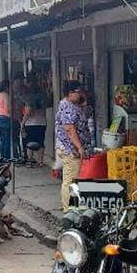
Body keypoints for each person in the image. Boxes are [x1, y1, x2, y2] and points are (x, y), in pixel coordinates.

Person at [55, 81, 90, 209]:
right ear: (70, 93)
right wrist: (79, 147)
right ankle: (68, 209)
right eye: (78, 92)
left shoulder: (72, 105)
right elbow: (69, 128)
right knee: (70, 180)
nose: (80, 94)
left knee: (73, 179)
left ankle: (73, 206)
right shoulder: (67, 107)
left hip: (71, 148)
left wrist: (83, 105)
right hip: (71, 149)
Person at [21, 86, 47, 167]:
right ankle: (40, 161)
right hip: (42, 123)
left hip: (31, 123)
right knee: (40, 142)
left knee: (30, 143)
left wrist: (22, 123)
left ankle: (30, 161)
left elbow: (28, 112)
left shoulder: (29, 99)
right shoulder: (43, 100)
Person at [0, 81, 13, 159]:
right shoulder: (6, 96)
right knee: (7, 139)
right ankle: (7, 157)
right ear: (6, 87)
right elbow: (8, 109)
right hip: (6, 117)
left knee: (2, 138)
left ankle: (2, 155)